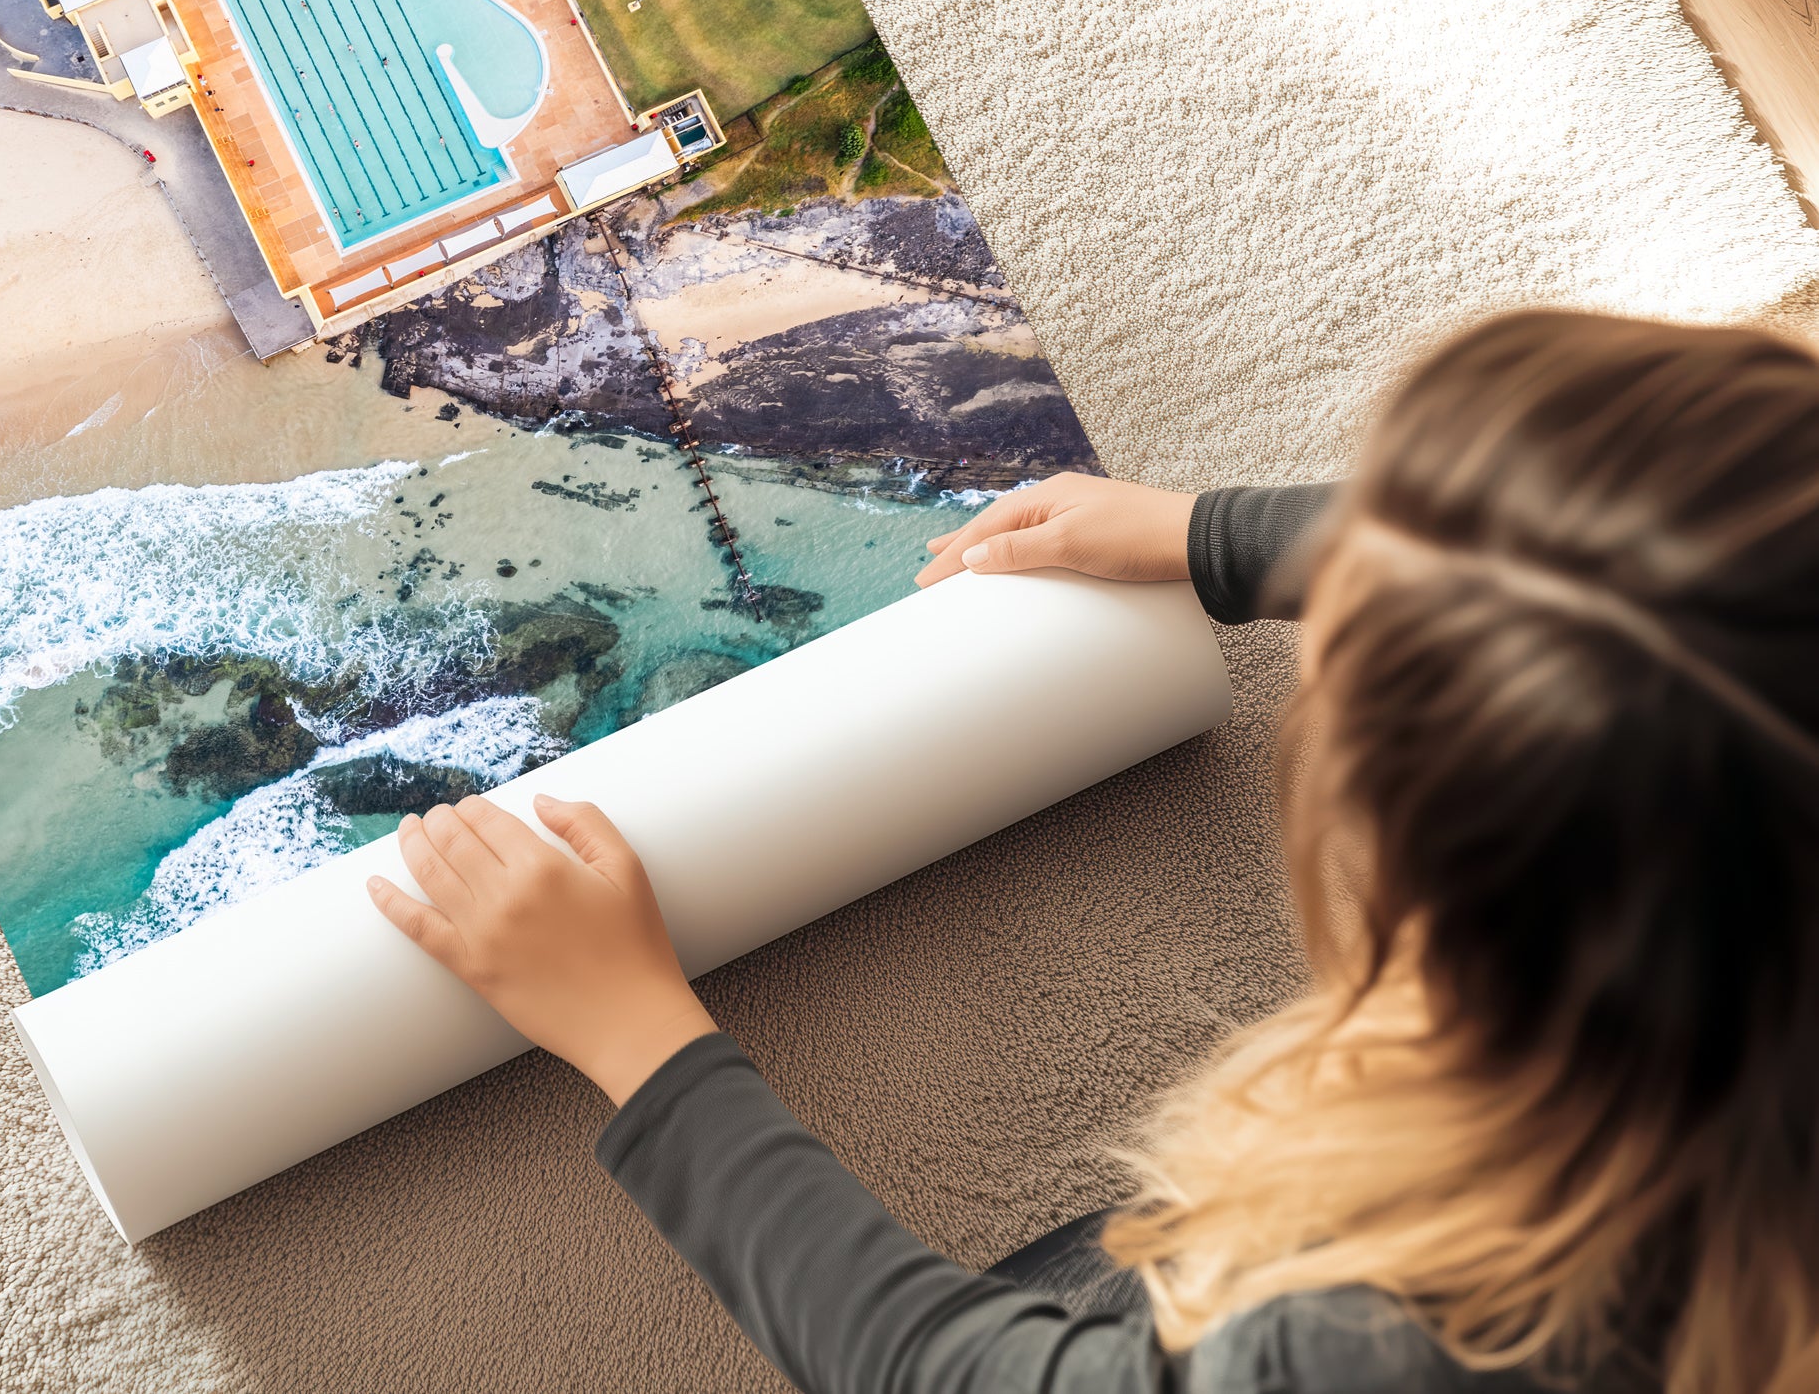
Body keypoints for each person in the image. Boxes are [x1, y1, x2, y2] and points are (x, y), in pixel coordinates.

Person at [366, 311, 1819, 1393]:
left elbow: (949, 1372)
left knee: (1109, 1286)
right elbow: (1712, 579)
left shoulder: (1419, 1336)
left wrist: (640, 1038)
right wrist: (1220, 537)